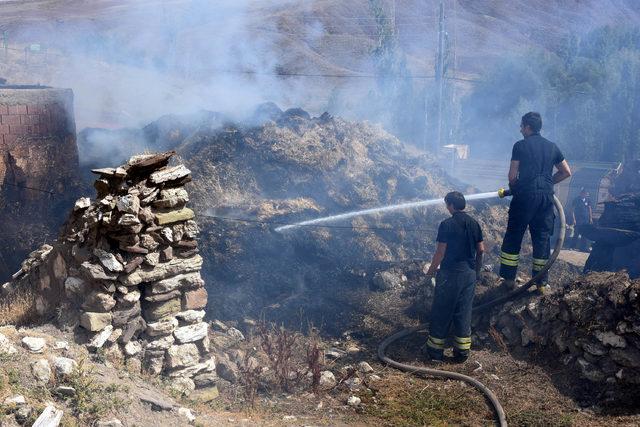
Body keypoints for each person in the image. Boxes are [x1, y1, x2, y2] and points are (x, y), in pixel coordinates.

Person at [499, 112, 572, 293]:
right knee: (542, 239)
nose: (520, 129)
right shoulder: (552, 147)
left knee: (514, 236)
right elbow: (566, 172)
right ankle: (541, 283)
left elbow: (512, 175)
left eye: (522, 126)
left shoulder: (520, 146)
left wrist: (516, 187)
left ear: (528, 127)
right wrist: (547, 184)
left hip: (523, 198)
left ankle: (509, 280)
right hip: (545, 200)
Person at [424, 191, 484, 363]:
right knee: (463, 313)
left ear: (450, 205)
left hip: (450, 274)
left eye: (446, 204)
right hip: (469, 274)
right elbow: (481, 250)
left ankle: (435, 353)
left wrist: (429, 273)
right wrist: (476, 272)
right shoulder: (474, 224)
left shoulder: (446, 224)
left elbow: (440, 252)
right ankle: (462, 353)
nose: (446, 208)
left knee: (442, 311)